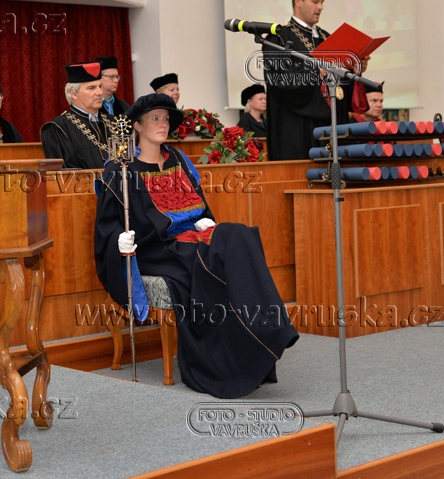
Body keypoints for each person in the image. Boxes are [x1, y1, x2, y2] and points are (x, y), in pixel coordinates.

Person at [94, 94, 298, 398]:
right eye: (154, 119)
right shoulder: (121, 168)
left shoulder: (178, 159)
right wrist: (117, 240)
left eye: (165, 119)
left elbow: (200, 204)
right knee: (222, 251)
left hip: (193, 240)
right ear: (137, 125)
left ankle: (262, 332)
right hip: (156, 250)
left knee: (238, 236)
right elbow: (107, 224)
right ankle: (260, 335)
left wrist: (204, 220)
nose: (162, 124)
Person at [262, 0, 368, 160]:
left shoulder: (329, 38)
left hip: (332, 126)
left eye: (322, 2)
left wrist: (354, 70)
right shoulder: (279, 38)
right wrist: (316, 71)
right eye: (315, 1)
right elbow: (277, 81)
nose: (320, 7)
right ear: (298, 1)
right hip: (297, 129)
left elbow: (342, 88)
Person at [40, 60, 113, 169]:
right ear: (73, 93)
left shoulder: (113, 121)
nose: (99, 92)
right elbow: (65, 174)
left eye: (100, 86)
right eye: (91, 88)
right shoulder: (59, 128)